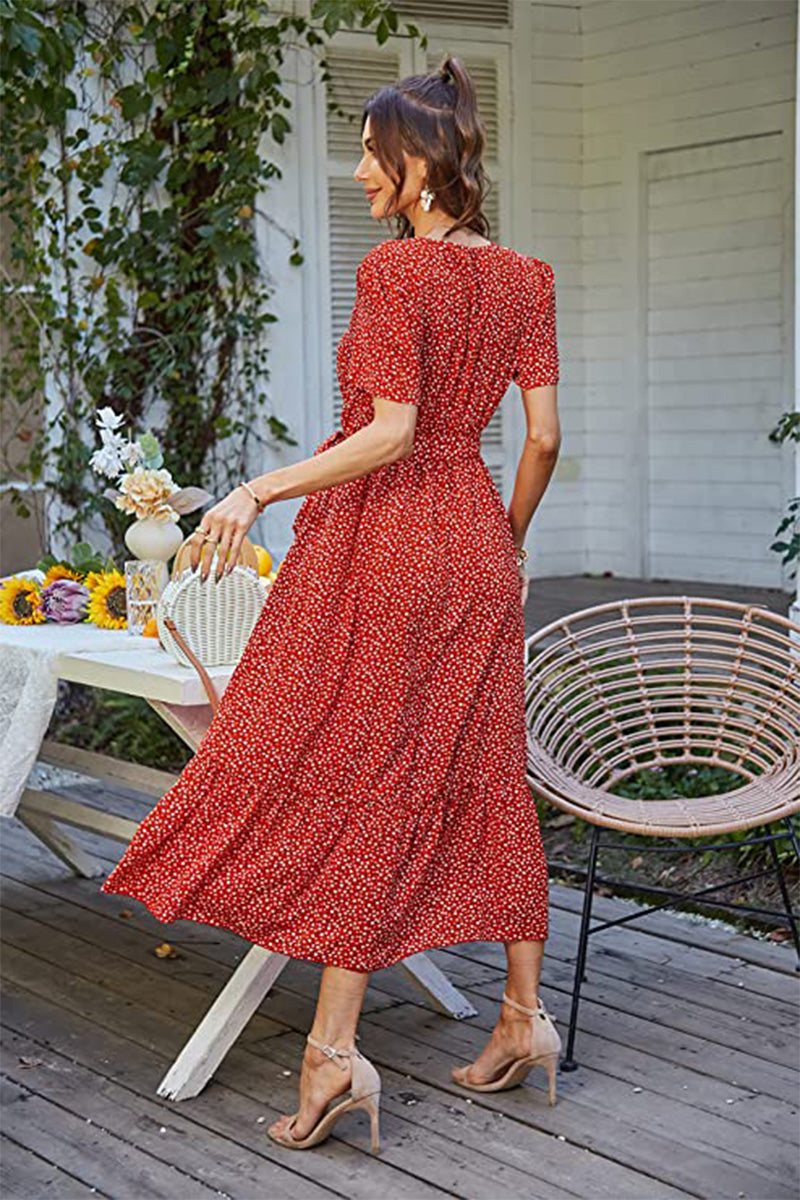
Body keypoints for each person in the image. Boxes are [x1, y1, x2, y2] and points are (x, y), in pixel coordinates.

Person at [100, 54, 562, 1153]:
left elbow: (392, 430)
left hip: (391, 538)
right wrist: (501, 543)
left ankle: (333, 1049)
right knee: (479, 767)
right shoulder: (527, 280)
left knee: (364, 771)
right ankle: (522, 1017)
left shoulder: (400, 276)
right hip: (475, 545)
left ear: (416, 164)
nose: (357, 172)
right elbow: (540, 437)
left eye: (367, 153)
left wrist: (256, 487)